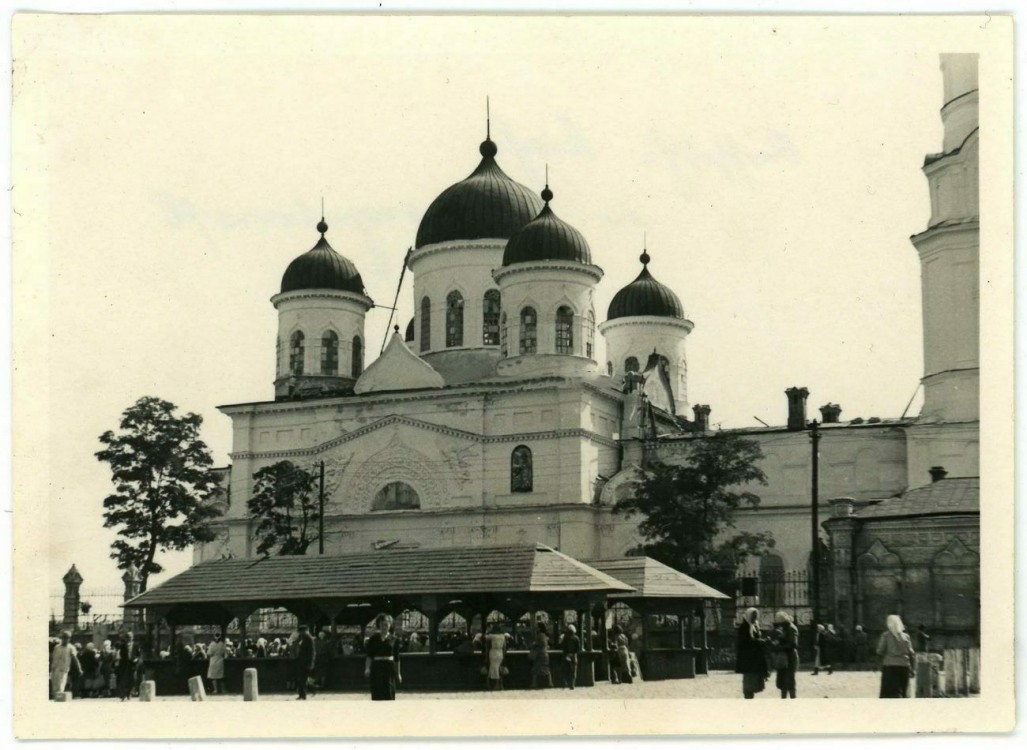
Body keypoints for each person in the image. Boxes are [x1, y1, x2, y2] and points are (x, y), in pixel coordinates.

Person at [877, 614, 916, 698]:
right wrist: (912, 669)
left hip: (889, 667)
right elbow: (911, 654)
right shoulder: (906, 637)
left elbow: (880, 651)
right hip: (904, 666)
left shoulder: (886, 635)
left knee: (889, 693)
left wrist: (880, 663)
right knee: (903, 691)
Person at [364, 614, 401, 700]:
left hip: (389, 668)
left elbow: (397, 658)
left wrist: (398, 673)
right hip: (377, 668)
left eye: (386, 624)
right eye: (382, 624)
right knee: (377, 692)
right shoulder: (373, 639)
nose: (384, 627)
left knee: (389, 692)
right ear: (378, 625)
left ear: (390, 625)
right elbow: (369, 655)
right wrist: (367, 668)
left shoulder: (394, 639)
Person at [735, 607, 768, 699]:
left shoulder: (754, 625)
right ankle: (748, 697)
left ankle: (750, 696)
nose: (755, 618)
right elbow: (744, 642)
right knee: (749, 681)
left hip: (754, 658)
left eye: (756, 616)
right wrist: (759, 641)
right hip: (748, 659)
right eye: (753, 616)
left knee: (754, 681)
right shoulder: (744, 627)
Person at [772, 611, 799, 699]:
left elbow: (793, 644)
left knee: (790, 680)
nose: (780, 625)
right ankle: (783, 699)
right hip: (784, 657)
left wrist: (781, 647)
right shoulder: (785, 628)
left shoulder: (791, 628)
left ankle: (792, 699)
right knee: (783, 680)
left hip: (790, 656)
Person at [50, 631, 79, 699]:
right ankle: (55, 702)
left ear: (69, 639)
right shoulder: (57, 647)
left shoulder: (71, 648)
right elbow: (52, 658)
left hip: (63, 670)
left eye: (67, 638)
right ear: (62, 638)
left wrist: (79, 669)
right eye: (64, 638)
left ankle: (59, 704)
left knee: (60, 688)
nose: (65, 639)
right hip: (54, 670)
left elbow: (75, 659)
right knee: (54, 688)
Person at [292, 624, 316, 700]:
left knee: (303, 679)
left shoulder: (309, 639)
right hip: (301, 662)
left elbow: (312, 652)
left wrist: (310, 663)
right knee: (301, 679)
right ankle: (302, 694)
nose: (300, 633)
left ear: (305, 631)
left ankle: (305, 693)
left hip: (306, 662)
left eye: (301, 631)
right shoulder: (302, 638)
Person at [483, 622, 508, 691]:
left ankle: (496, 685)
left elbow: (484, 639)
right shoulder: (503, 636)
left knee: (494, 668)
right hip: (500, 652)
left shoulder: (491, 636)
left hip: (493, 652)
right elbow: (504, 647)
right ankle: (501, 685)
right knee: (499, 668)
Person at [115, 633, 139, 701]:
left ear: (133, 637)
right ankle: (123, 695)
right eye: (128, 637)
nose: (130, 638)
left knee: (131, 679)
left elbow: (138, 654)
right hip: (124, 664)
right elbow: (121, 653)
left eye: (131, 637)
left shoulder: (136, 645)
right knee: (124, 679)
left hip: (132, 664)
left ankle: (129, 693)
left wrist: (136, 659)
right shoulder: (123, 645)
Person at [529, 622, 553, 689]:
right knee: (545, 668)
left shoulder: (540, 635)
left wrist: (534, 644)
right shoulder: (545, 635)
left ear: (539, 628)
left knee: (536, 669)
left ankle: (534, 684)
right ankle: (550, 683)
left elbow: (541, 643)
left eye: (537, 626)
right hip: (545, 654)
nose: (536, 627)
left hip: (540, 654)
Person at [560, 624, 581, 690]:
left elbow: (562, 646)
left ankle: (564, 683)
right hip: (573, 656)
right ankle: (572, 685)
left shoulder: (565, 637)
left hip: (566, 655)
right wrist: (573, 653)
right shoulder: (577, 638)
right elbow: (578, 649)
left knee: (565, 670)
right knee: (573, 671)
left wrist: (567, 654)